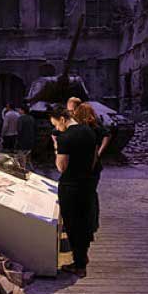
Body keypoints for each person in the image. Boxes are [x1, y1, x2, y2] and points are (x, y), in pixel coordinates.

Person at [50, 105, 97, 278]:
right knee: (84, 222)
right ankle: (82, 258)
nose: (56, 128)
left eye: (56, 124)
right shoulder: (89, 132)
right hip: (87, 183)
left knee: (72, 224)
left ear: (62, 120)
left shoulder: (65, 138)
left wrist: (56, 145)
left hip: (70, 186)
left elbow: (61, 167)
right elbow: (93, 159)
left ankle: (79, 265)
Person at [73, 103, 111, 237]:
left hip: (85, 166)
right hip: (94, 167)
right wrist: (101, 152)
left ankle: (86, 224)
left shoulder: (83, 129)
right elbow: (107, 136)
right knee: (91, 194)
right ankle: (92, 223)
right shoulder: (96, 127)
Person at [15, 105, 36, 169]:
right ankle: (31, 168)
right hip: (30, 140)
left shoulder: (21, 119)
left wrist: (17, 139)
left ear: (23, 111)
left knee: (21, 157)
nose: (19, 111)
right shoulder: (32, 118)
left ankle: (22, 168)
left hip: (22, 140)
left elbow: (19, 130)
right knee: (28, 156)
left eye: (20, 110)